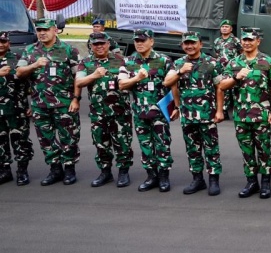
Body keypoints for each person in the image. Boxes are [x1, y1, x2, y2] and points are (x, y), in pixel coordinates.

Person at [16, 18, 81, 186]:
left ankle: (69, 169)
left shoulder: (68, 50)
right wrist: (34, 65)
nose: (42, 33)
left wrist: (76, 98)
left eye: (45, 29)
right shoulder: (30, 50)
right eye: (39, 30)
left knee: (69, 137)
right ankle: (55, 169)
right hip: (40, 104)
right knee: (46, 139)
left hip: (64, 104)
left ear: (54, 30)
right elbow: (19, 73)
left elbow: (78, 77)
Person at [217, 28, 271, 199]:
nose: (247, 42)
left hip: (261, 115)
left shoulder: (267, 61)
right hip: (241, 115)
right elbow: (222, 87)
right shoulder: (234, 63)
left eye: (251, 40)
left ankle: (266, 183)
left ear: (258, 41)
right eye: (244, 39)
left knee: (264, 149)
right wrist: (236, 77)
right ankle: (251, 182)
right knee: (246, 150)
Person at [164, 32, 224, 196]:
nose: (189, 46)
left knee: (211, 147)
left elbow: (220, 87)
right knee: (192, 148)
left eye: (193, 43)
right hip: (187, 115)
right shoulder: (178, 63)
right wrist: (180, 72)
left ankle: (213, 180)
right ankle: (197, 179)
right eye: (186, 44)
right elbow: (168, 83)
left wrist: (219, 110)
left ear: (200, 44)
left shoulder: (211, 62)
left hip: (207, 114)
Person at [118, 29, 177, 192]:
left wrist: (176, 106)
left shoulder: (163, 60)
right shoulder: (128, 61)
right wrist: (137, 78)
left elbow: (173, 82)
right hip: (139, 112)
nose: (139, 43)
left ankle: (164, 176)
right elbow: (121, 84)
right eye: (137, 40)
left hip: (159, 112)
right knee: (145, 145)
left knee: (163, 143)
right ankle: (151, 176)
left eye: (143, 40)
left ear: (152, 41)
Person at [74, 32, 134, 188]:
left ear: (108, 44)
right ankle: (105, 172)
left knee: (122, 143)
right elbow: (79, 82)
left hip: (120, 112)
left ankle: (123, 172)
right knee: (101, 143)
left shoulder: (122, 61)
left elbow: (131, 81)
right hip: (98, 113)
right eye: (95, 44)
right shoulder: (86, 63)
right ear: (91, 46)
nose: (99, 46)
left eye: (102, 43)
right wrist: (94, 75)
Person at [0, 31, 34, 186]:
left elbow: (32, 84)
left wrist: (32, 104)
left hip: (17, 109)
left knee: (20, 141)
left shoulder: (18, 60)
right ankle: (4, 170)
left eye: (4, 41)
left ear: (9, 43)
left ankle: (22, 171)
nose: (1, 44)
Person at [213, 19, 242, 117]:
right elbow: (217, 54)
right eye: (223, 27)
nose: (224, 29)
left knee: (235, 90)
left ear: (231, 29)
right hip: (221, 69)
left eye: (226, 27)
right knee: (222, 88)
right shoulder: (217, 41)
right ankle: (223, 110)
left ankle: (237, 110)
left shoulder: (235, 40)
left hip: (233, 69)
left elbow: (242, 52)